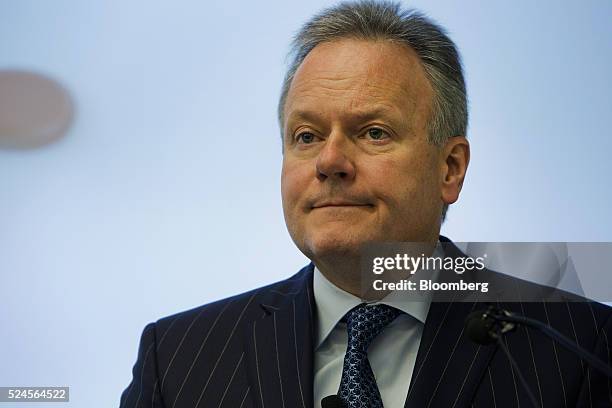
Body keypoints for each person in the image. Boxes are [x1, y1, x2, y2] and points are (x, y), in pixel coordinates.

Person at [120, 1, 612, 407]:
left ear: (450, 168)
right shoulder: (180, 360)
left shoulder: (579, 344)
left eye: (373, 133)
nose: (330, 161)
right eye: (307, 136)